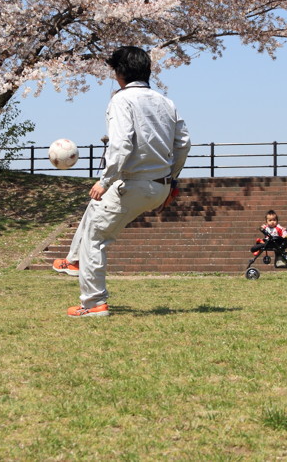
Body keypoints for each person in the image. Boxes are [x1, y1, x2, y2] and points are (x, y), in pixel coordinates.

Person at [52, 46, 191, 317]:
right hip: (159, 185)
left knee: (96, 238)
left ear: (119, 73)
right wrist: (172, 180)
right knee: (94, 211)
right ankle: (74, 261)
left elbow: (122, 143)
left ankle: (94, 304)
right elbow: (184, 144)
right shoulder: (166, 102)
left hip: (131, 183)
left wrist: (106, 179)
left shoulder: (120, 100)